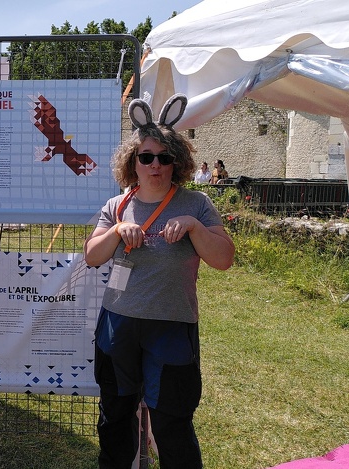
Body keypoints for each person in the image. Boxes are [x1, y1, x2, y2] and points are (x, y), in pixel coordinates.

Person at [83, 95, 235, 469]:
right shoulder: (116, 205)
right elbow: (92, 256)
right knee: (115, 415)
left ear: (177, 162)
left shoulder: (196, 203)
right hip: (119, 324)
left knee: (171, 421)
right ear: (132, 162)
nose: (155, 165)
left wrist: (196, 228)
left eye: (165, 157)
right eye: (146, 156)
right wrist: (118, 230)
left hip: (171, 326)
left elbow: (223, 259)